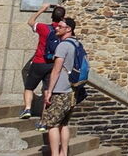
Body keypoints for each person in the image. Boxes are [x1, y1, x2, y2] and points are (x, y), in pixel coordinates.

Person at [41, 18, 80, 156]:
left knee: (52, 125)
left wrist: (49, 91)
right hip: (72, 91)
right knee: (64, 124)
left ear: (68, 29)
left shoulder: (63, 46)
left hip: (60, 90)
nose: (56, 28)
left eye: (60, 26)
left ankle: (55, 154)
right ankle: (63, 153)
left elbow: (56, 70)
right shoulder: (76, 44)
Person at [21, 4, 65, 118]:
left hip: (39, 61)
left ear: (52, 16)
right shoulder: (63, 31)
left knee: (29, 87)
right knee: (47, 89)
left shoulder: (43, 27)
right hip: (52, 64)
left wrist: (42, 9)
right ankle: (44, 115)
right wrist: (61, 10)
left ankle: (27, 109)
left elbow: (30, 21)